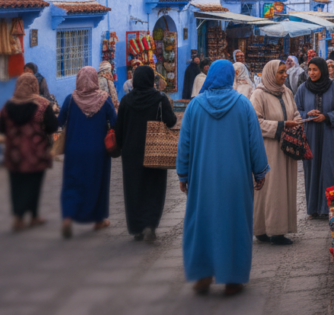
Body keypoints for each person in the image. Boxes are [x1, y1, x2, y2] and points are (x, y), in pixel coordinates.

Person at [177, 59, 269, 296]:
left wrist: (183, 174)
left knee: (202, 222)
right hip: (236, 177)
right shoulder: (243, 104)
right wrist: (260, 171)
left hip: (202, 177)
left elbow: (184, 143)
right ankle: (233, 278)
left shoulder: (195, 106)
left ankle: (203, 275)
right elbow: (255, 142)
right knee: (235, 222)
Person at [115, 65, 177, 242]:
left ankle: (137, 228)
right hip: (155, 149)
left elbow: (119, 128)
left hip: (131, 152)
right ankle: (150, 224)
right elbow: (171, 121)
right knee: (154, 188)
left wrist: (119, 146)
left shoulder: (126, 100)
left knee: (133, 189)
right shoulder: (160, 98)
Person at [59, 66, 117, 239]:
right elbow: (115, 122)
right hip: (97, 151)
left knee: (72, 181)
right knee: (97, 182)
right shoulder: (104, 99)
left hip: (73, 149)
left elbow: (60, 121)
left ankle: (68, 217)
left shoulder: (70, 99)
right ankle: (99, 220)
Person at [0, 73, 58, 232]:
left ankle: (18, 218)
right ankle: (34, 216)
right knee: (34, 184)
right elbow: (53, 126)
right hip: (36, 154)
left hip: (14, 154)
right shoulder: (43, 104)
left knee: (16, 184)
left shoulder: (8, 105)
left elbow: (0, 128)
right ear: (34, 86)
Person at [250, 60, 303, 244]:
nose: (284, 75)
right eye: (280, 72)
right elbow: (255, 122)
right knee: (270, 189)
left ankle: (278, 228)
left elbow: (295, 112)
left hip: (287, 147)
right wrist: (282, 125)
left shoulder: (286, 92)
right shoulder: (258, 94)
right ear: (271, 74)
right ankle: (265, 229)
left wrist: (297, 122)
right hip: (269, 149)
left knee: (283, 188)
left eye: (285, 71)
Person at [295, 58, 334, 218]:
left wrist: (326, 116)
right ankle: (313, 208)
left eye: (315, 69)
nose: (311, 73)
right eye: (309, 69)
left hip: (329, 133)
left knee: (329, 169)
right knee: (311, 169)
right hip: (310, 135)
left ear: (322, 70)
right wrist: (306, 114)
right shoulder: (303, 89)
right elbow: (295, 110)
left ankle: (327, 208)